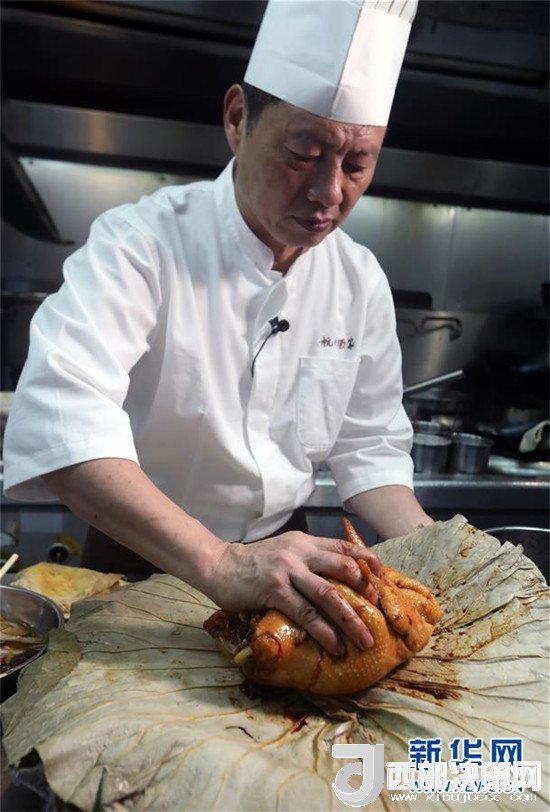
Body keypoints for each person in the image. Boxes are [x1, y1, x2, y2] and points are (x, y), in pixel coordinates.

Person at [3, 0, 432, 658]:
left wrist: (439, 555)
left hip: (291, 567)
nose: (329, 193)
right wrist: (222, 563)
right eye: (304, 154)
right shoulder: (141, 245)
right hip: (142, 559)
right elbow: (61, 416)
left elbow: (369, 446)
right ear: (237, 118)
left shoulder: (359, 279)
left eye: (356, 165)